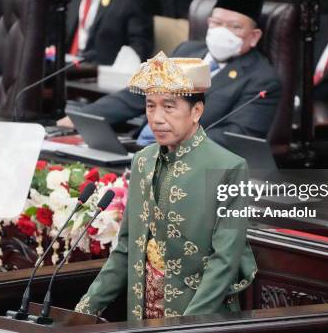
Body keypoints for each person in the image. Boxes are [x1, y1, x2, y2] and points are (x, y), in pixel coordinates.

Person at [74, 53, 256, 320]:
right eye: (150, 106)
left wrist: (186, 325)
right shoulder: (143, 160)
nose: (156, 118)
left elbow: (225, 260)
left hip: (199, 316)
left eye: (168, 107)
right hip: (142, 310)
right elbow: (126, 248)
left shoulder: (230, 167)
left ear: (196, 111)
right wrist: (84, 310)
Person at [59, 0, 281, 148]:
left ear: (253, 37)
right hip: (137, 148)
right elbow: (136, 95)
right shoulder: (186, 51)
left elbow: (236, 137)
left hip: (190, 165)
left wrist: (175, 139)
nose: (223, 32)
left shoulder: (262, 80)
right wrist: (85, 118)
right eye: (217, 23)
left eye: (235, 27)